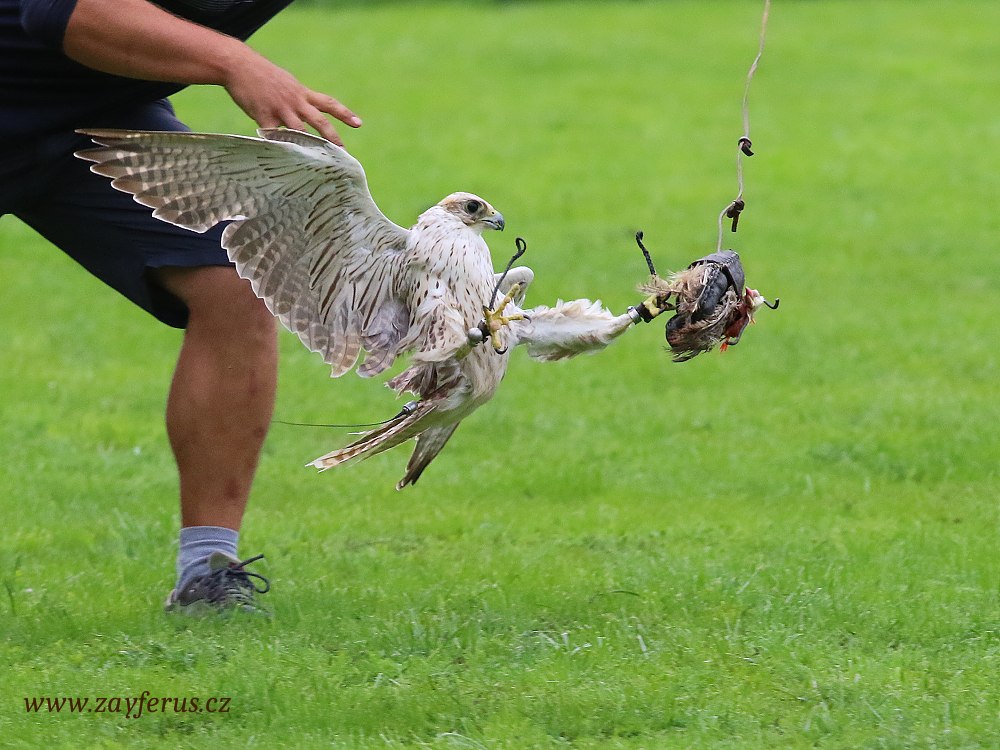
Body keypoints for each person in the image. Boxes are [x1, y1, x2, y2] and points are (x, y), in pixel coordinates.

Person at [1, 0, 361, 613]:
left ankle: (207, 575)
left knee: (236, 283)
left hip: (91, 118)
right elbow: (65, 13)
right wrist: (234, 60)